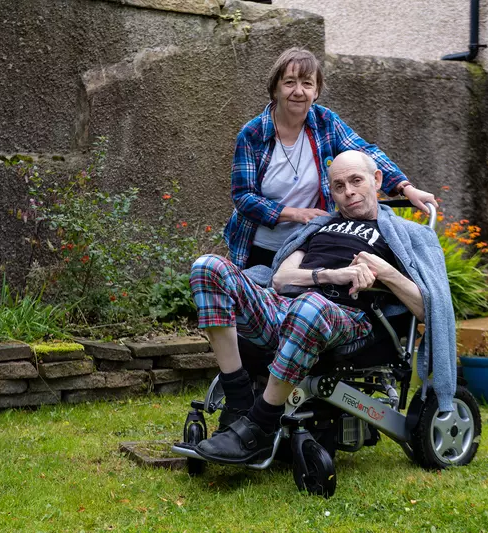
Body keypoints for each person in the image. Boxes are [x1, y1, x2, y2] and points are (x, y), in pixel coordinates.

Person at [190, 150, 456, 464]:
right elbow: (281, 278)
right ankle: (238, 401)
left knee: (311, 306)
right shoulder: (319, 228)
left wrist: (384, 270)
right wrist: (331, 274)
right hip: (286, 306)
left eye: (356, 181)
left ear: (377, 180)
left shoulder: (406, 235)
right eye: (339, 186)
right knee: (207, 267)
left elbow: (428, 308)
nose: (349, 191)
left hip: (350, 319)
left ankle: (261, 424)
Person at [225, 48, 438, 269]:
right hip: (259, 247)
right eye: (290, 82)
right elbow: (243, 197)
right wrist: (296, 214)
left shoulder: (325, 121)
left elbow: (366, 152)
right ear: (275, 89)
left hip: (307, 245)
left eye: (307, 84)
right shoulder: (252, 134)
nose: (298, 91)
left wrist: (406, 188)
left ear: (316, 91)